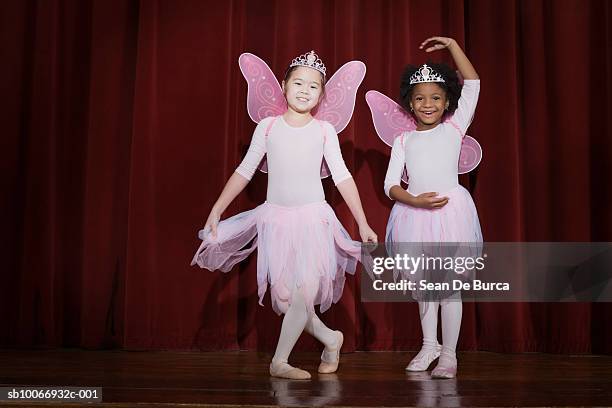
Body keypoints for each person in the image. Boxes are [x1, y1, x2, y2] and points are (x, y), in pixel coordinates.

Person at [192, 51, 377, 380]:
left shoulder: (324, 130)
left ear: (322, 95)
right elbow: (245, 170)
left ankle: (279, 362)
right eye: (298, 83)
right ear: (283, 86)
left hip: (312, 221)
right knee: (284, 298)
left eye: (314, 86)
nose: (305, 90)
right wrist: (217, 208)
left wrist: (362, 221)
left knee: (303, 293)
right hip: (275, 220)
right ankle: (330, 338)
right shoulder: (268, 126)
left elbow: (343, 176)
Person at [383, 36, 483, 379]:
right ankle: (429, 346)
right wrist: (412, 198)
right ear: (410, 104)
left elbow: (473, 83)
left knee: (449, 286)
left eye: (436, 98)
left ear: (447, 102)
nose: (428, 104)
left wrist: (453, 46)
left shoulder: (455, 127)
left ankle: (450, 355)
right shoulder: (403, 140)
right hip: (414, 216)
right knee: (425, 285)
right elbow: (390, 184)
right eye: (420, 98)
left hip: (451, 215)